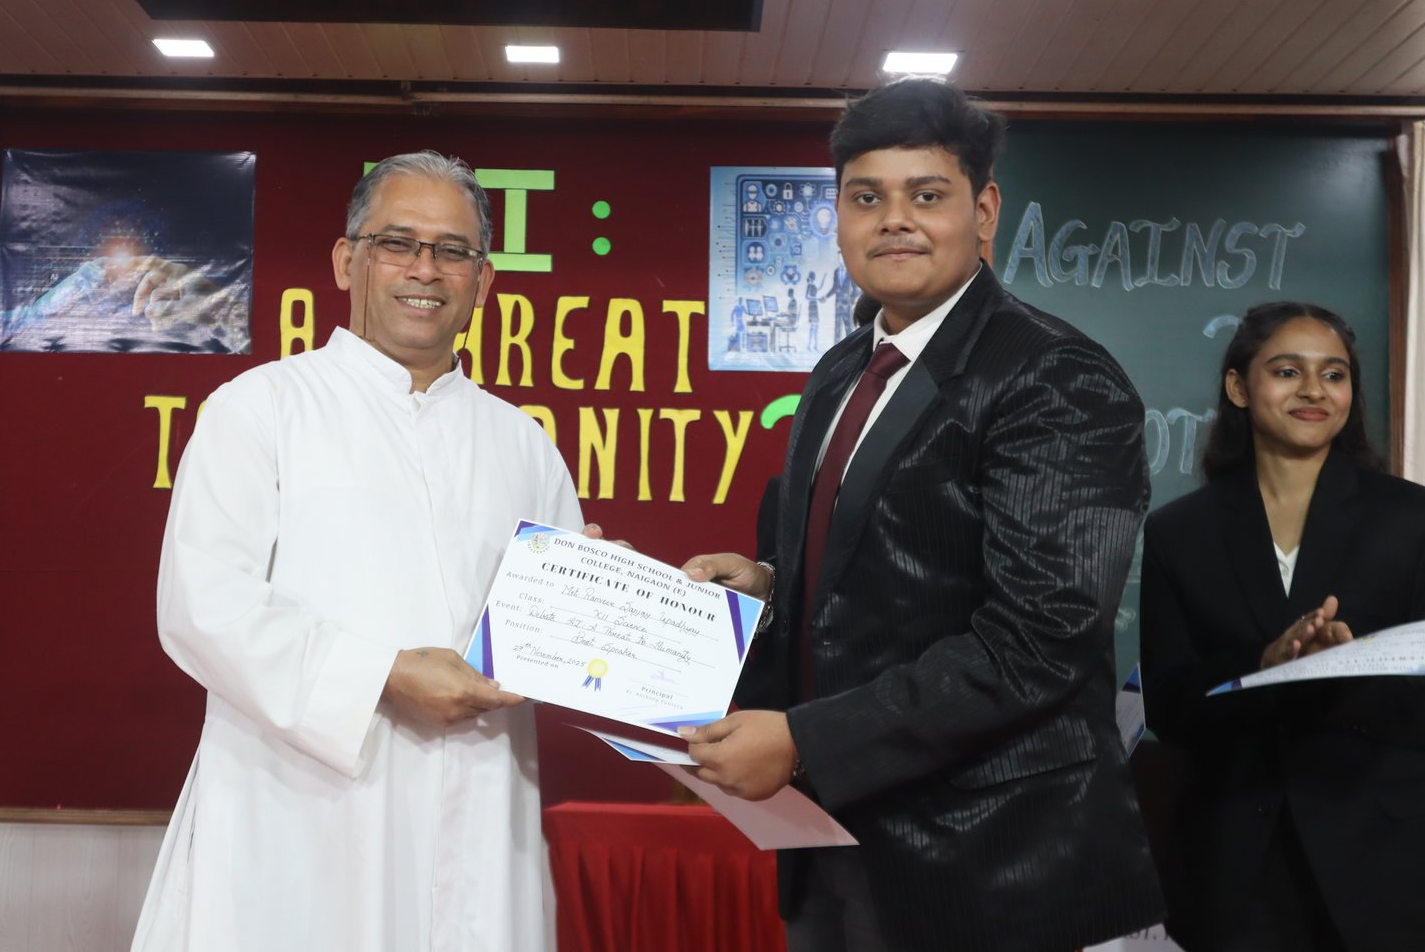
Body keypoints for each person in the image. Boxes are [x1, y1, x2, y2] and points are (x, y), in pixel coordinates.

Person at [678, 79, 1163, 951]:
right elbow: (889, 567)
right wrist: (770, 583)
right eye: (866, 198)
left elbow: (1039, 636)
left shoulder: (1054, 376)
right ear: (838, 218)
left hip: (992, 867)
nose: (894, 220)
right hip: (832, 843)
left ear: (985, 211)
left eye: (927, 195)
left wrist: (803, 741)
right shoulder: (840, 370)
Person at [131, 151, 585, 951]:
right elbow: (203, 608)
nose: (425, 269)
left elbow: (561, 642)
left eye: (453, 251)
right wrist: (382, 674)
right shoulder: (260, 410)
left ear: (483, 280)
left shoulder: (525, 446)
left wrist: (615, 602)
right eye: (397, 242)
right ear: (348, 260)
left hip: (480, 824)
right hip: (299, 821)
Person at [1140, 302, 1425, 952]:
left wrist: (1346, 667)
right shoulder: (1179, 531)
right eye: (1287, 371)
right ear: (1239, 386)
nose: (1313, 390)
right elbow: (1170, 708)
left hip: (1384, 861)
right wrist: (1263, 666)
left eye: (1334, 374)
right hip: (1234, 862)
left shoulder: (1411, 519)